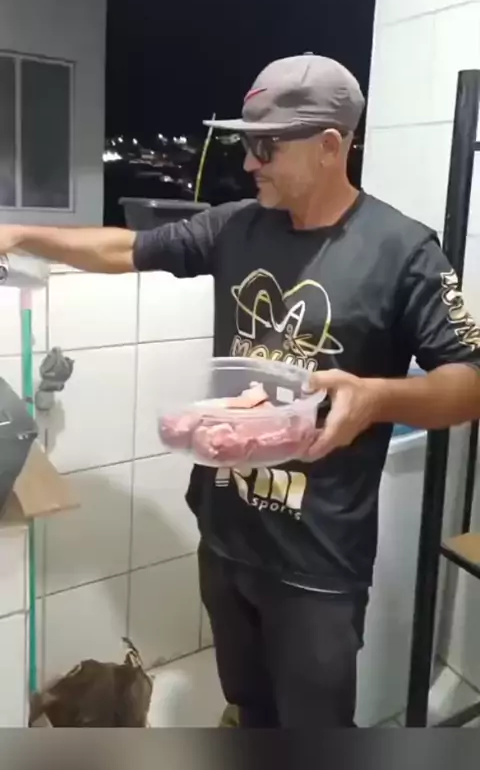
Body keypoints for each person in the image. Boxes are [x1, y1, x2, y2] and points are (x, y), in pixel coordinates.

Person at [2, 53, 480, 728]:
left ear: (330, 146)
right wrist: (21, 233)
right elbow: (123, 250)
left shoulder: (403, 251)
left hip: (317, 561)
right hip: (226, 535)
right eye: (247, 144)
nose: (251, 162)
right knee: (248, 709)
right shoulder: (236, 226)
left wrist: (377, 398)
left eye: (267, 146)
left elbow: (469, 382)